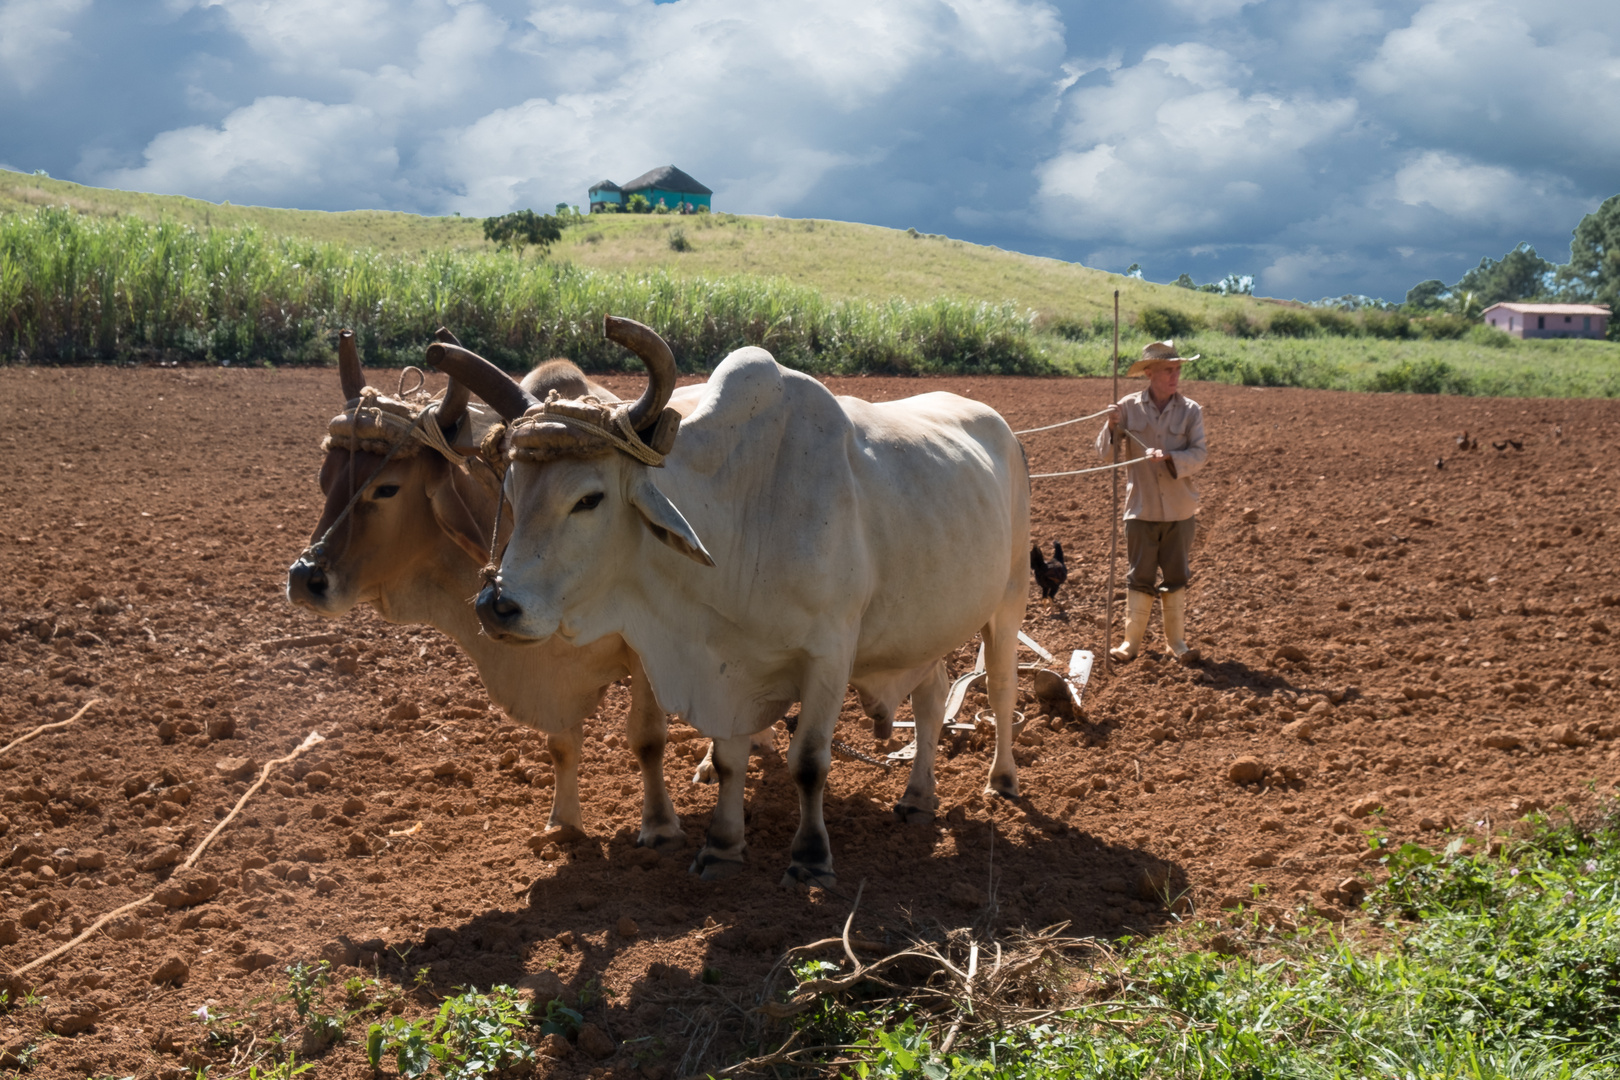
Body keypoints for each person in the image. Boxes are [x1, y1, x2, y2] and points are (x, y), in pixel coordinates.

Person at [1096, 340, 1208, 663]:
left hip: (1180, 511)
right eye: (1168, 370)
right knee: (1139, 577)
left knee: (1176, 577)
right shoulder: (1127, 407)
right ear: (1149, 372)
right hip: (1140, 510)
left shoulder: (1191, 411)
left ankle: (1176, 643)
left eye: (1177, 370)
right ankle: (1130, 645)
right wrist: (1111, 425)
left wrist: (1171, 456)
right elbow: (1105, 452)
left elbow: (1200, 455)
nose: (1175, 376)